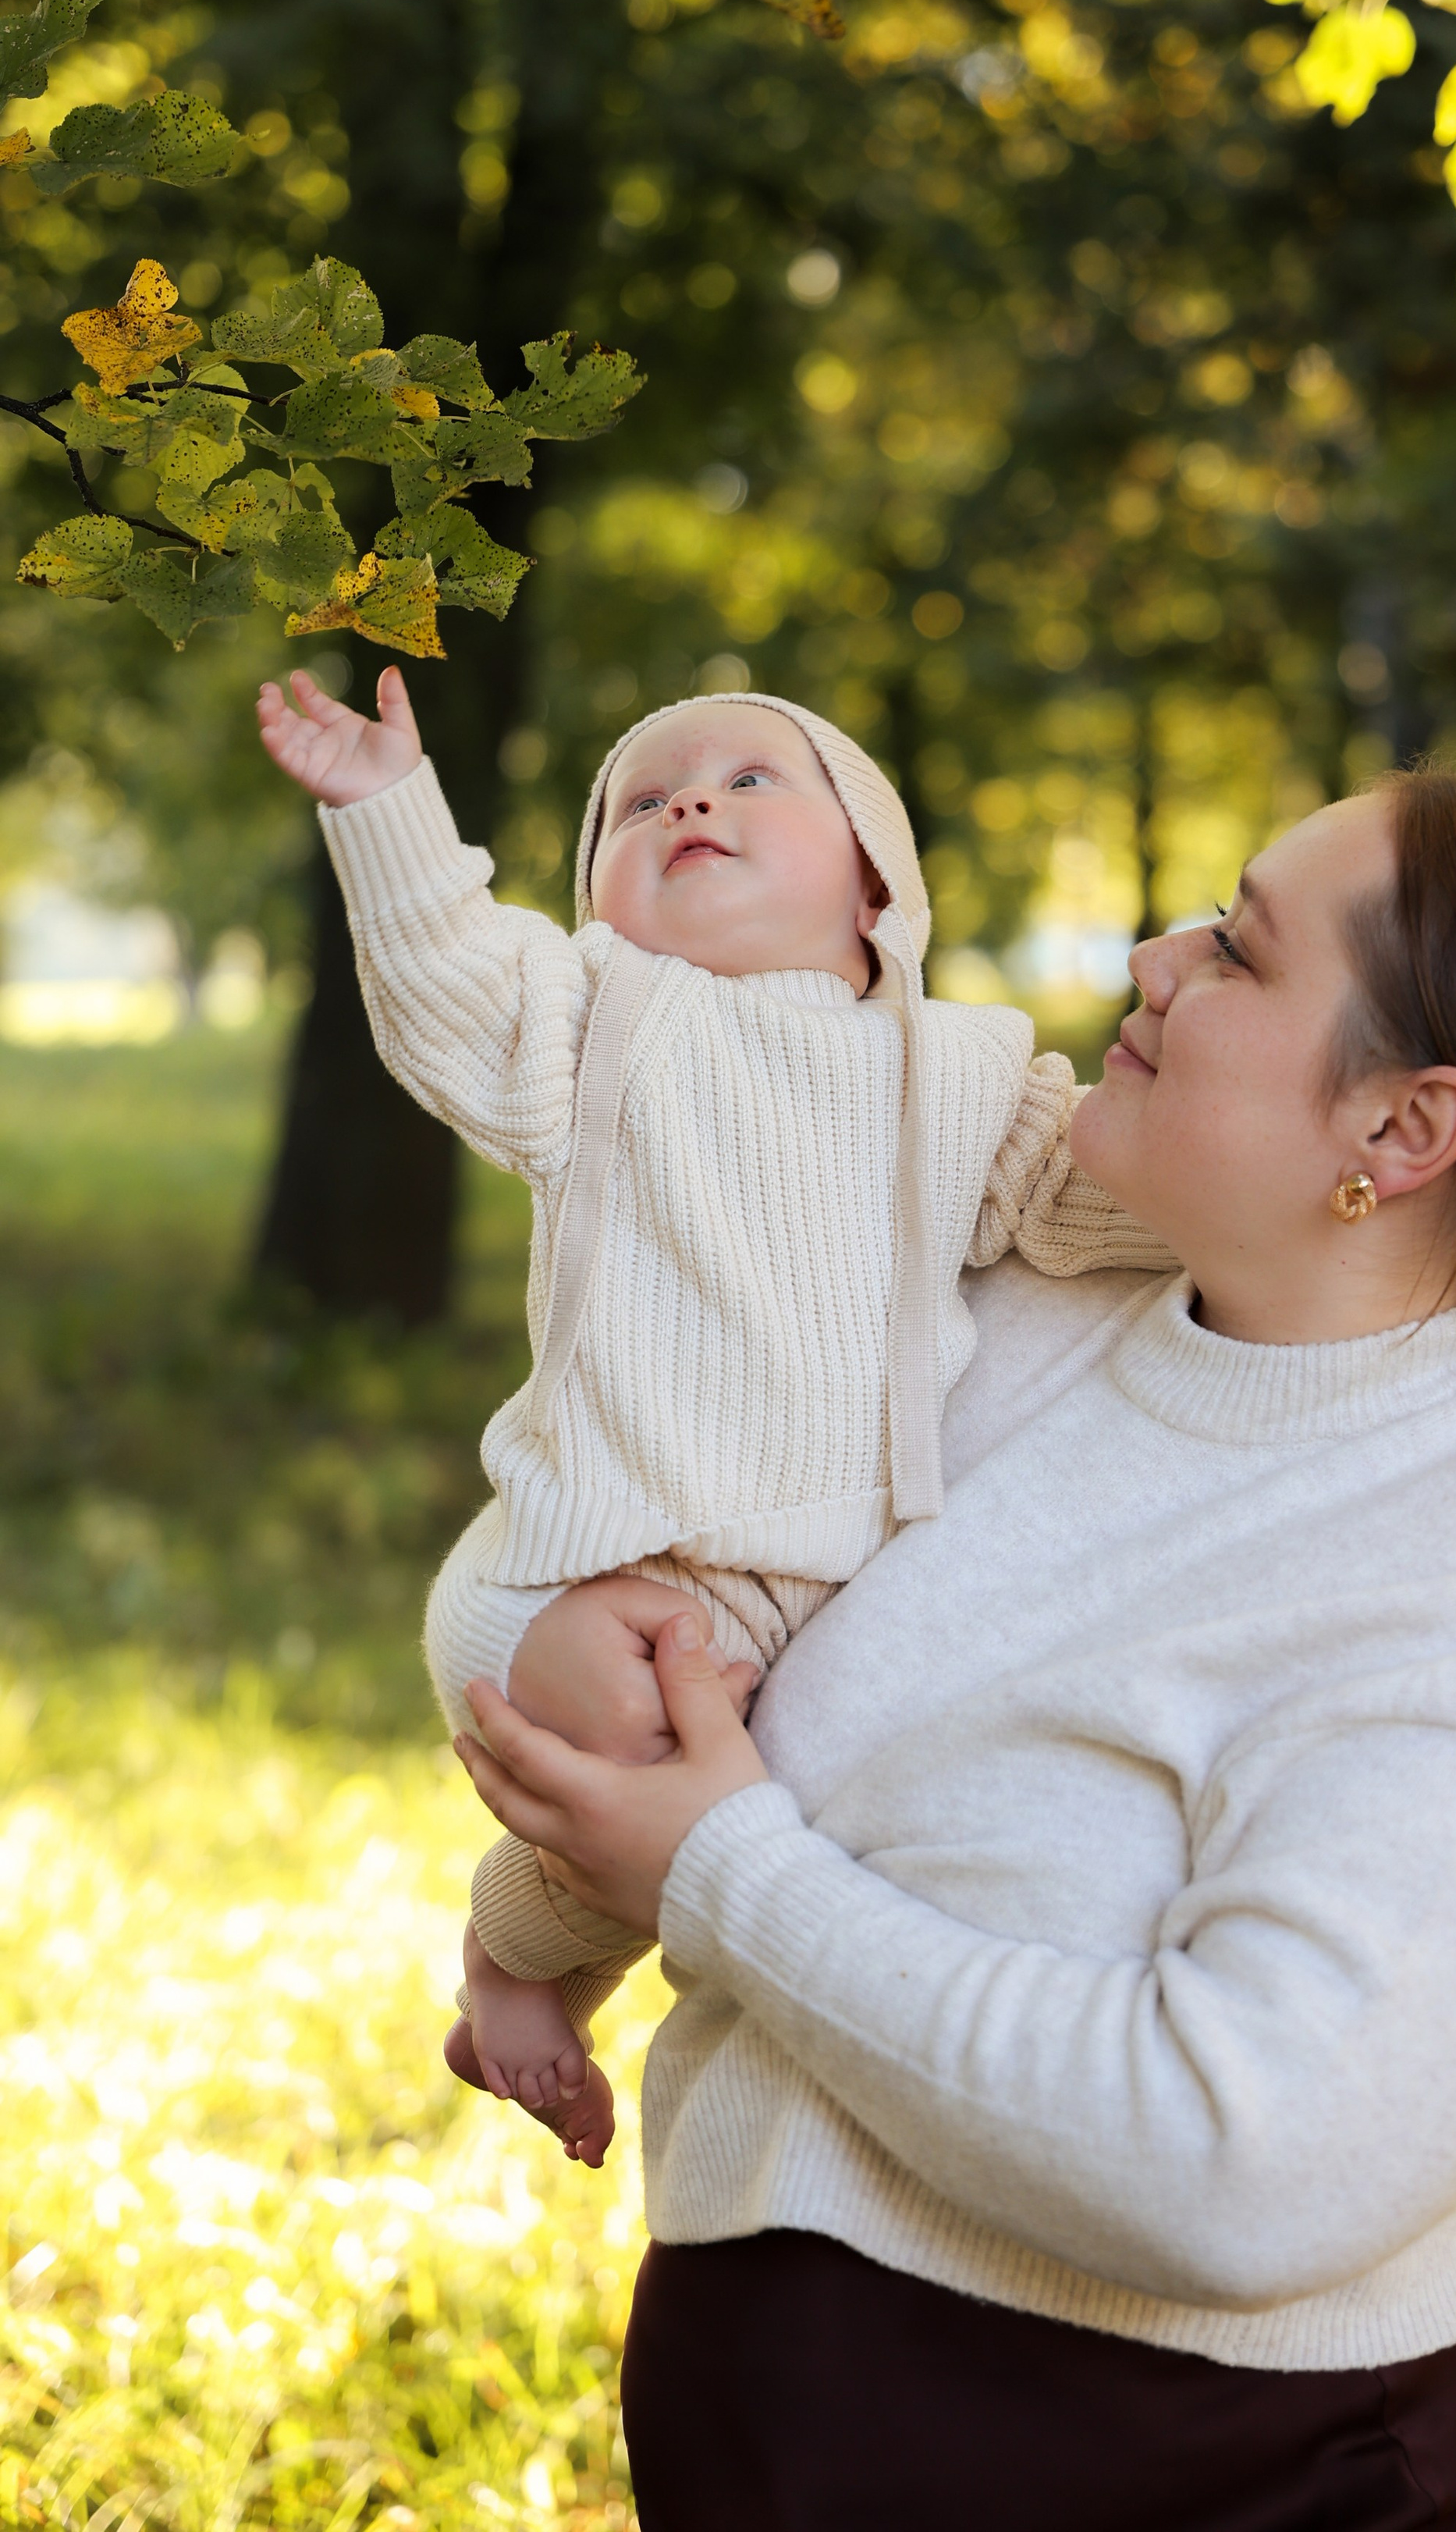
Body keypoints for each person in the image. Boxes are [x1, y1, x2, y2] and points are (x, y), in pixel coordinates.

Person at [456, 761, 1456, 2532]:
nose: (1149, 956)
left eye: (1238, 952)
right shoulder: (1008, 1324)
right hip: (775, 2429)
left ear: (1399, 1132)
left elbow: (1241, 2164)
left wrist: (718, 1879)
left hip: (1215, 2475)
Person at [254, 668, 1170, 2164]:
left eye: (754, 780)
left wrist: (1345, 1222)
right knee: (642, 1719)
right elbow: (452, 986)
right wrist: (386, 810)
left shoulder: (967, 1068)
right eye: (639, 802)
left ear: (879, 880)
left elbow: (1102, 1201)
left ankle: (547, 1965)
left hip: (808, 1590)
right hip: (590, 1554)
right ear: (603, 902)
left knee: (742, 1796)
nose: (690, 801)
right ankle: (513, 1948)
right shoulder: (602, 1015)